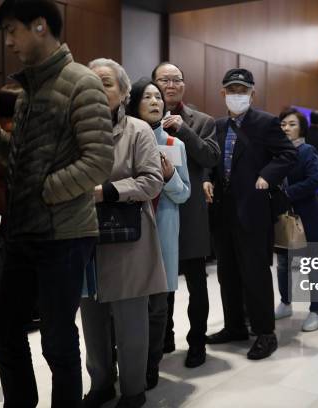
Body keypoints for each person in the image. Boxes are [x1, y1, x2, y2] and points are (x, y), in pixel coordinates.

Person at [0, 1, 115, 406]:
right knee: (6, 329)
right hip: (24, 231)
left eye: (12, 30)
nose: (9, 41)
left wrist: (45, 190)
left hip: (64, 234)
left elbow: (98, 160)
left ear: (40, 26)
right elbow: (17, 156)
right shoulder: (30, 90)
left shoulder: (82, 82)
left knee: (57, 340)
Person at [80, 61, 165, 408]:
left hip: (127, 238)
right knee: (92, 318)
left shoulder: (138, 130)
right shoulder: (76, 130)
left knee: (131, 321)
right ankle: (101, 383)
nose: (98, 91)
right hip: (84, 237)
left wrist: (106, 191)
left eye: (106, 84)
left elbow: (151, 180)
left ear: (124, 92)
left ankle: (133, 390)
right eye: (91, 84)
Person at [204, 68, 297, 360]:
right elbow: (211, 158)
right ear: (223, 93)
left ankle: (265, 333)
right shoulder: (217, 125)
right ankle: (234, 326)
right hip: (223, 210)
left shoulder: (266, 122)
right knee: (227, 272)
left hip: (254, 210)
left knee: (255, 273)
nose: (237, 95)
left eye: (242, 90)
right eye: (231, 90)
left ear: (252, 93)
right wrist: (207, 176)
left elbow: (288, 154)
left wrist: (267, 176)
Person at [151, 62, 220, 368]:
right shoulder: (141, 118)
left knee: (196, 283)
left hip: (190, 211)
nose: (171, 84)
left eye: (177, 79)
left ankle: (197, 342)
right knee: (160, 283)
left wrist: (183, 129)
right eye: (164, 80)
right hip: (155, 210)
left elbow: (209, 156)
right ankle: (164, 337)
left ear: (184, 85)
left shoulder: (201, 120)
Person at [127, 77, 191, 390]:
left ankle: (150, 367)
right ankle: (127, 362)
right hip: (128, 235)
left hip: (162, 236)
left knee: (157, 309)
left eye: (158, 97)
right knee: (127, 306)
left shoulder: (173, 144)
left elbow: (184, 195)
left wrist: (170, 178)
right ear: (134, 103)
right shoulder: (121, 141)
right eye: (147, 97)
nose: (156, 102)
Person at [275, 108, 318, 332]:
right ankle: (286, 302)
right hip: (283, 215)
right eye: (283, 124)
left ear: (301, 128)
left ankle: (316, 310)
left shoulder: (307, 150)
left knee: (311, 263)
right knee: (283, 262)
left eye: (292, 124)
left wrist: (287, 193)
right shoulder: (275, 152)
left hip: (307, 215)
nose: (287, 128)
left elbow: (315, 179)